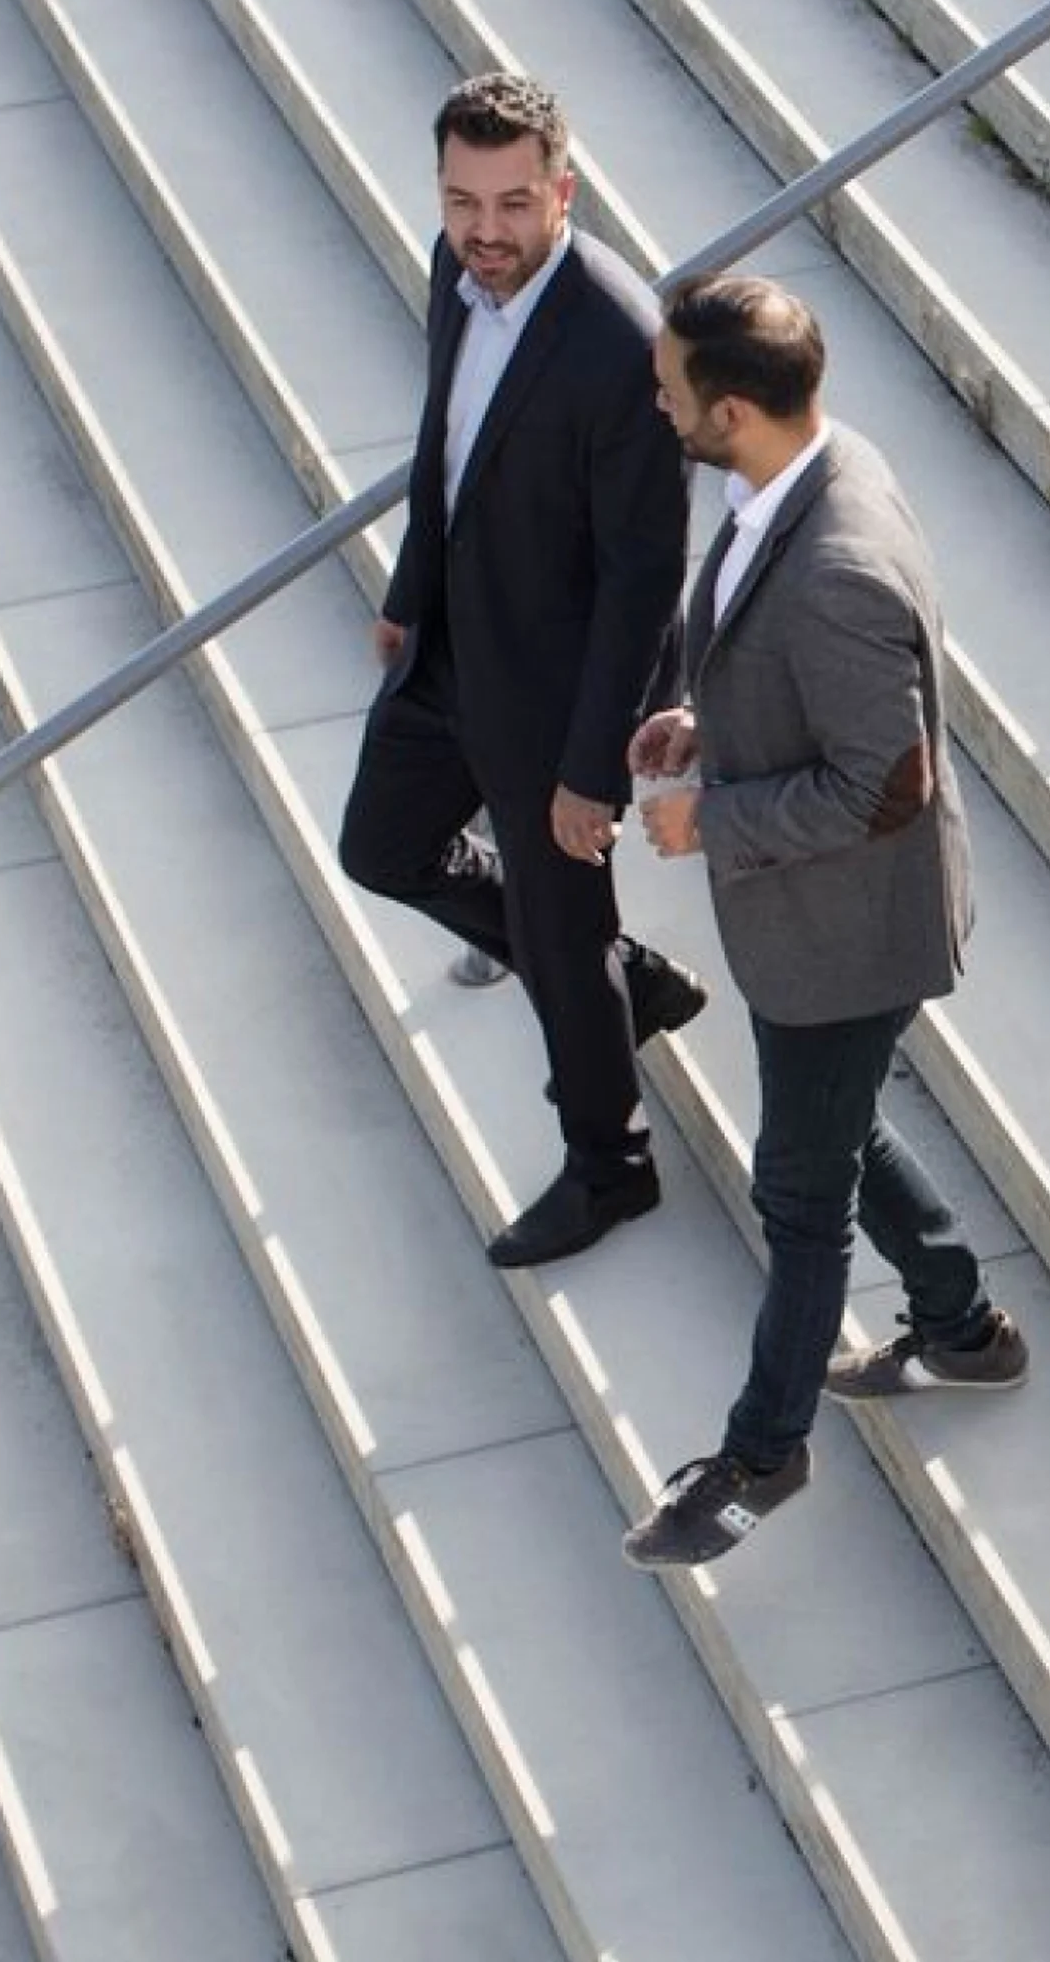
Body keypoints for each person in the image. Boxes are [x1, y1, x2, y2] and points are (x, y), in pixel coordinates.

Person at [619, 274, 1026, 1573]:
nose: (658, 397)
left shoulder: (839, 565)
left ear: (731, 409)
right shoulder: (808, 463)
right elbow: (783, 666)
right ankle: (962, 1326)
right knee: (833, 1128)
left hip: (852, 932)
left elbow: (887, 783)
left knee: (797, 1192)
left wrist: (710, 820)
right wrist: (709, 723)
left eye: (672, 385)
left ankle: (761, 1455)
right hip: (822, 928)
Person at [338, 73, 704, 1270]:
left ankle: (614, 1166)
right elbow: (442, 440)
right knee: (380, 847)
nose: (483, 232)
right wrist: (406, 597)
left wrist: (593, 764)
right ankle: (621, 982)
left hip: (555, 691)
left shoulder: (619, 345)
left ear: (563, 190)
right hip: (449, 646)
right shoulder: (459, 271)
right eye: (459, 202)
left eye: (510, 204)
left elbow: (646, 578)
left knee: (560, 926)